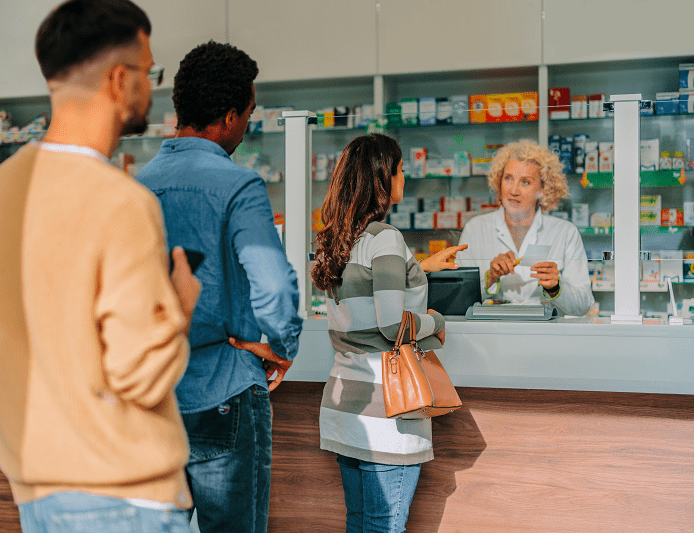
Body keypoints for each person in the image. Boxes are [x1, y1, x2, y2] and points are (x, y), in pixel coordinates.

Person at [0, 1, 200, 532]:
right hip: (126, 497)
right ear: (120, 80)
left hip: (37, 490)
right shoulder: (119, 201)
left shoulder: (0, 189)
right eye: (149, 71)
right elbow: (139, 375)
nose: (152, 85)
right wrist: (178, 308)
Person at [135, 41, 302, 533]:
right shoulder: (237, 185)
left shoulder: (136, 187)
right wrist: (281, 345)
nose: (245, 127)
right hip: (224, 390)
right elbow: (274, 285)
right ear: (230, 117)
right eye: (247, 115)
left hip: (154, 394)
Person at [312, 134, 456, 533]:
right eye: (400, 169)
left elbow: (365, 293)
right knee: (383, 526)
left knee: (359, 523)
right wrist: (436, 322)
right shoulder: (386, 237)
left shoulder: (338, 238)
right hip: (386, 415)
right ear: (382, 179)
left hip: (346, 409)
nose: (404, 177)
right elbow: (392, 325)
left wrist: (419, 268)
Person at [456, 139, 594, 316]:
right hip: (491, 336)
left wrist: (556, 287)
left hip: (545, 336)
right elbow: (457, 302)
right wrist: (490, 277)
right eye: (508, 179)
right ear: (499, 181)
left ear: (543, 189)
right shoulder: (475, 230)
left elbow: (583, 305)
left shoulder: (564, 233)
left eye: (525, 182)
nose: (514, 190)